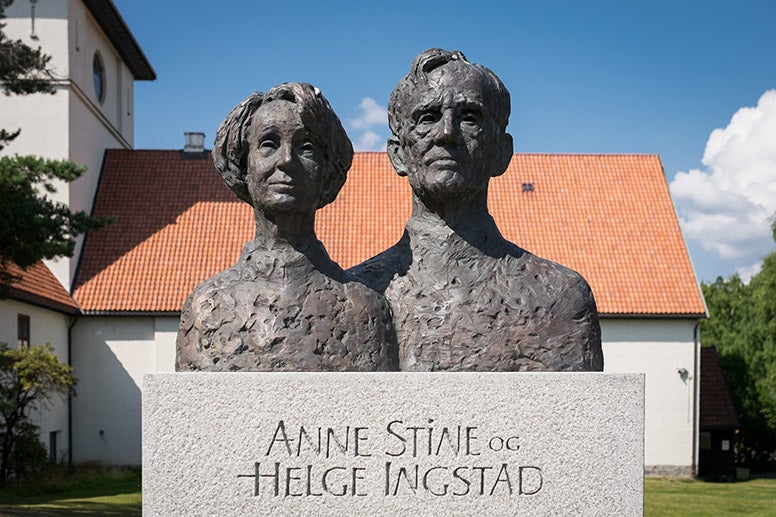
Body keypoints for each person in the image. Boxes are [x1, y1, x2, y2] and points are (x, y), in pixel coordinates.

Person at [350, 49, 603, 371]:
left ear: (502, 151)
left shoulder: (557, 298)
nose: (447, 133)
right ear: (398, 154)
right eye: (428, 117)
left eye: (470, 117)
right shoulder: (357, 297)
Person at [176, 82, 398, 371]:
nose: (287, 160)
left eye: (306, 147)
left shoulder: (363, 309)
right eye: (269, 144)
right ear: (243, 167)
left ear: (328, 174)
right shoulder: (207, 307)